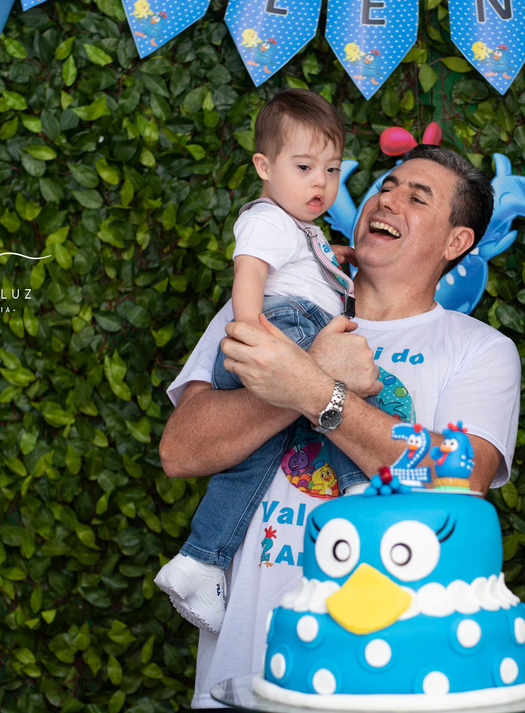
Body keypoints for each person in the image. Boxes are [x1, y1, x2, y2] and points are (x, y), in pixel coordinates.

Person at [160, 144, 522, 713]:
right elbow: (181, 450)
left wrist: (315, 391)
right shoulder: (269, 305)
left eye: (417, 196)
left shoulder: (478, 349)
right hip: (239, 682)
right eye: (389, 182)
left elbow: (463, 474)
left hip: (388, 694)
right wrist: (295, 384)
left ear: (456, 243)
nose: (389, 198)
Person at [154, 89, 369, 634]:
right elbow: (249, 272)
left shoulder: (302, 228)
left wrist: (336, 261)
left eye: (331, 169)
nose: (320, 182)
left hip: (290, 324)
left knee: (253, 460)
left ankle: (201, 559)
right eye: (303, 167)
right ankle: (361, 484)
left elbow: (304, 265)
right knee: (338, 399)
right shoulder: (268, 219)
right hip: (282, 328)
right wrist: (254, 333)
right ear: (264, 166)